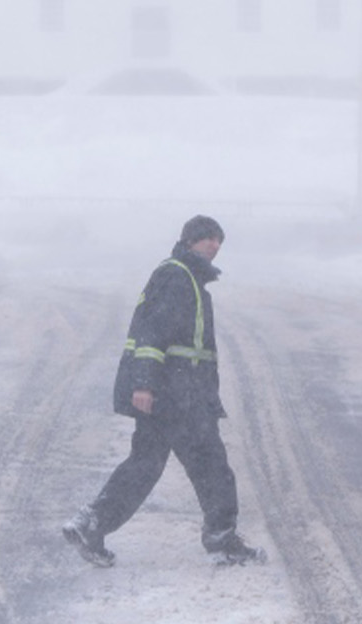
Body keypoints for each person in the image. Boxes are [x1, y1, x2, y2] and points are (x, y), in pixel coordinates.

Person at [61, 215, 267, 567]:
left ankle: (91, 524)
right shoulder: (177, 276)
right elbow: (152, 333)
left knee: (146, 463)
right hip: (177, 394)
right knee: (211, 466)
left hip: (180, 392)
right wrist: (143, 384)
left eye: (219, 241)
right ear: (189, 241)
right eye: (207, 239)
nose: (214, 246)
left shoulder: (189, 279)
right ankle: (222, 540)